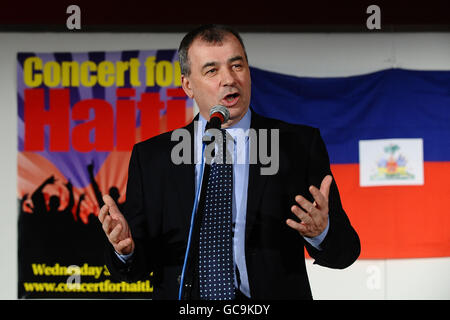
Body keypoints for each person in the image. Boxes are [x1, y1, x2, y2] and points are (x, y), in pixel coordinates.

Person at [99, 24, 360, 300]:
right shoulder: (153, 158)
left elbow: (345, 252)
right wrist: (125, 251)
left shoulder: (297, 146)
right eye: (212, 70)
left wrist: (322, 233)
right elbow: (135, 269)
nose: (229, 79)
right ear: (188, 85)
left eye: (237, 66)